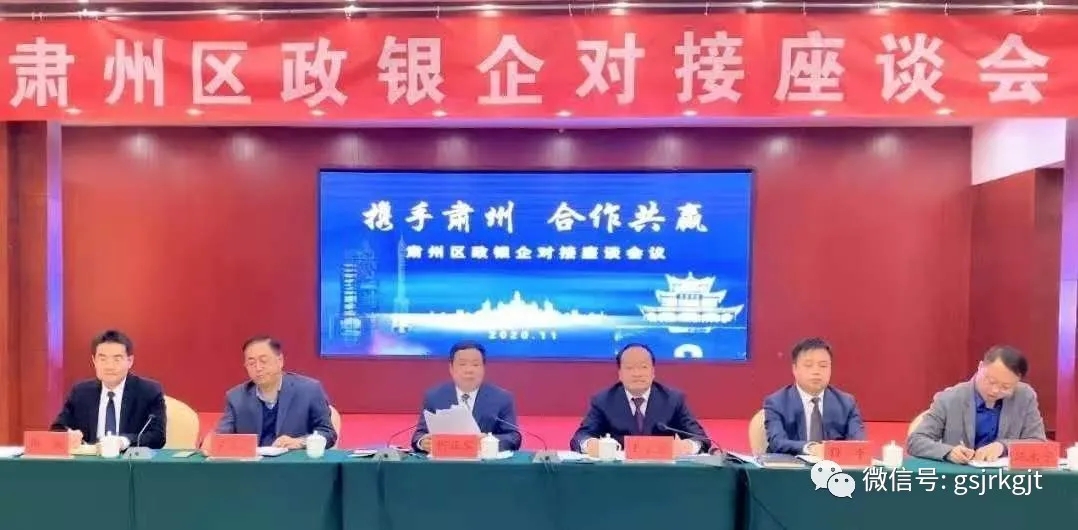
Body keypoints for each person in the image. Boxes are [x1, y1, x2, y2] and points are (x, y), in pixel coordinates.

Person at [907, 345, 1046, 463]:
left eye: (1006, 387)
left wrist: (1003, 447)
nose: (995, 390)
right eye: (991, 381)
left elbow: (1039, 444)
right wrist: (949, 452)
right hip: (960, 478)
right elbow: (916, 441)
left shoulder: (1025, 397)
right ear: (980, 367)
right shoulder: (950, 398)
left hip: (1007, 479)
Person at [570, 343, 710, 456]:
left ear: (653, 372)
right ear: (620, 374)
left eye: (643, 367)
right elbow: (580, 437)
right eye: (630, 368)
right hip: (618, 473)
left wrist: (688, 446)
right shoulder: (603, 401)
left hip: (662, 472)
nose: (637, 374)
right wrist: (590, 444)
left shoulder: (673, 400)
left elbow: (701, 439)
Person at [213, 336, 337, 449]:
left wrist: (299, 442)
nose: (258, 368)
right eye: (251, 363)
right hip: (252, 464)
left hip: (293, 463)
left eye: (263, 361)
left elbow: (328, 434)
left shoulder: (309, 390)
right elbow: (220, 437)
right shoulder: (236, 397)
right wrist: (212, 441)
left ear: (280, 361)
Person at [50, 330, 167, 450]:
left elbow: (157, 437)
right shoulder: (80, 393)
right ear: (94, 361)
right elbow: (57, 428)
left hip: (129, 460)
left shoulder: (148, 392)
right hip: (89, 460)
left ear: (130, 361)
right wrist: (68, 436)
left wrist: (123, 442)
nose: (109, 366)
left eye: (117, 359)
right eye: (103, 359)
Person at [762, 337, 865, 456]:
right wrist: (811, 448)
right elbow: (777, 442)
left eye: (823, 366)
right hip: (792, 465)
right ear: (794, 369)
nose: (816, 371)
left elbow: (857, 444)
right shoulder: (776, 403)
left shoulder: (847, 404)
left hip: (834, 466)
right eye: (808, 365)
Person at [412, 340, 521, 452]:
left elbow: (513, 437)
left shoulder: (501, 398)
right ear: (451, 368)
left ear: (483, 368)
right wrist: (422, 442)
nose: (469, 370)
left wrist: (489, 441)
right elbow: (419, 434)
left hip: (485, 460)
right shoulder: (434, 397)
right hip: (445, 460)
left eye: (475, 364)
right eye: (462, 364)